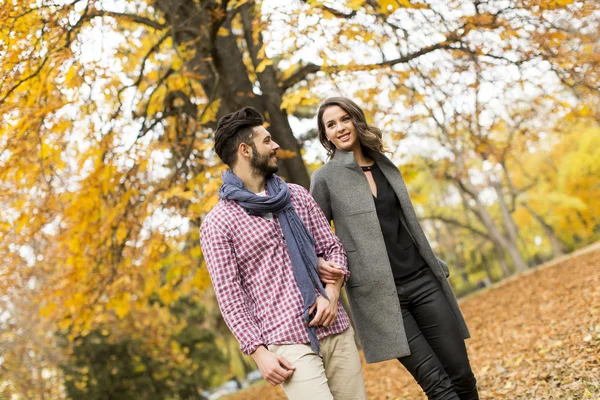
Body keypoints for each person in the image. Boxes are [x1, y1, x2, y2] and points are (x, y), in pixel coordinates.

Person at [310, 97, 479, 400]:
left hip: (424, 281)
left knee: (462, 376)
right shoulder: (324, 179)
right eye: (331, 125)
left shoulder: (385, 165)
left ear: (356, 120)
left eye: (344, 119)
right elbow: (315, 236)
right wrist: (322, 265)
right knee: (438, 387)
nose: (340, 128)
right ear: (326, 136)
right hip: (381, 299)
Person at [200, 107, 367, 400]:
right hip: (287, 341)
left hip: (336, 327)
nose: (275, 145)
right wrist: (258, 352)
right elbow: (231, 297)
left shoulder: (297, 196)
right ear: (245, 150)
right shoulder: (219, 223)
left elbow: (332, 247)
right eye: (266, 141)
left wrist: (332, 290)